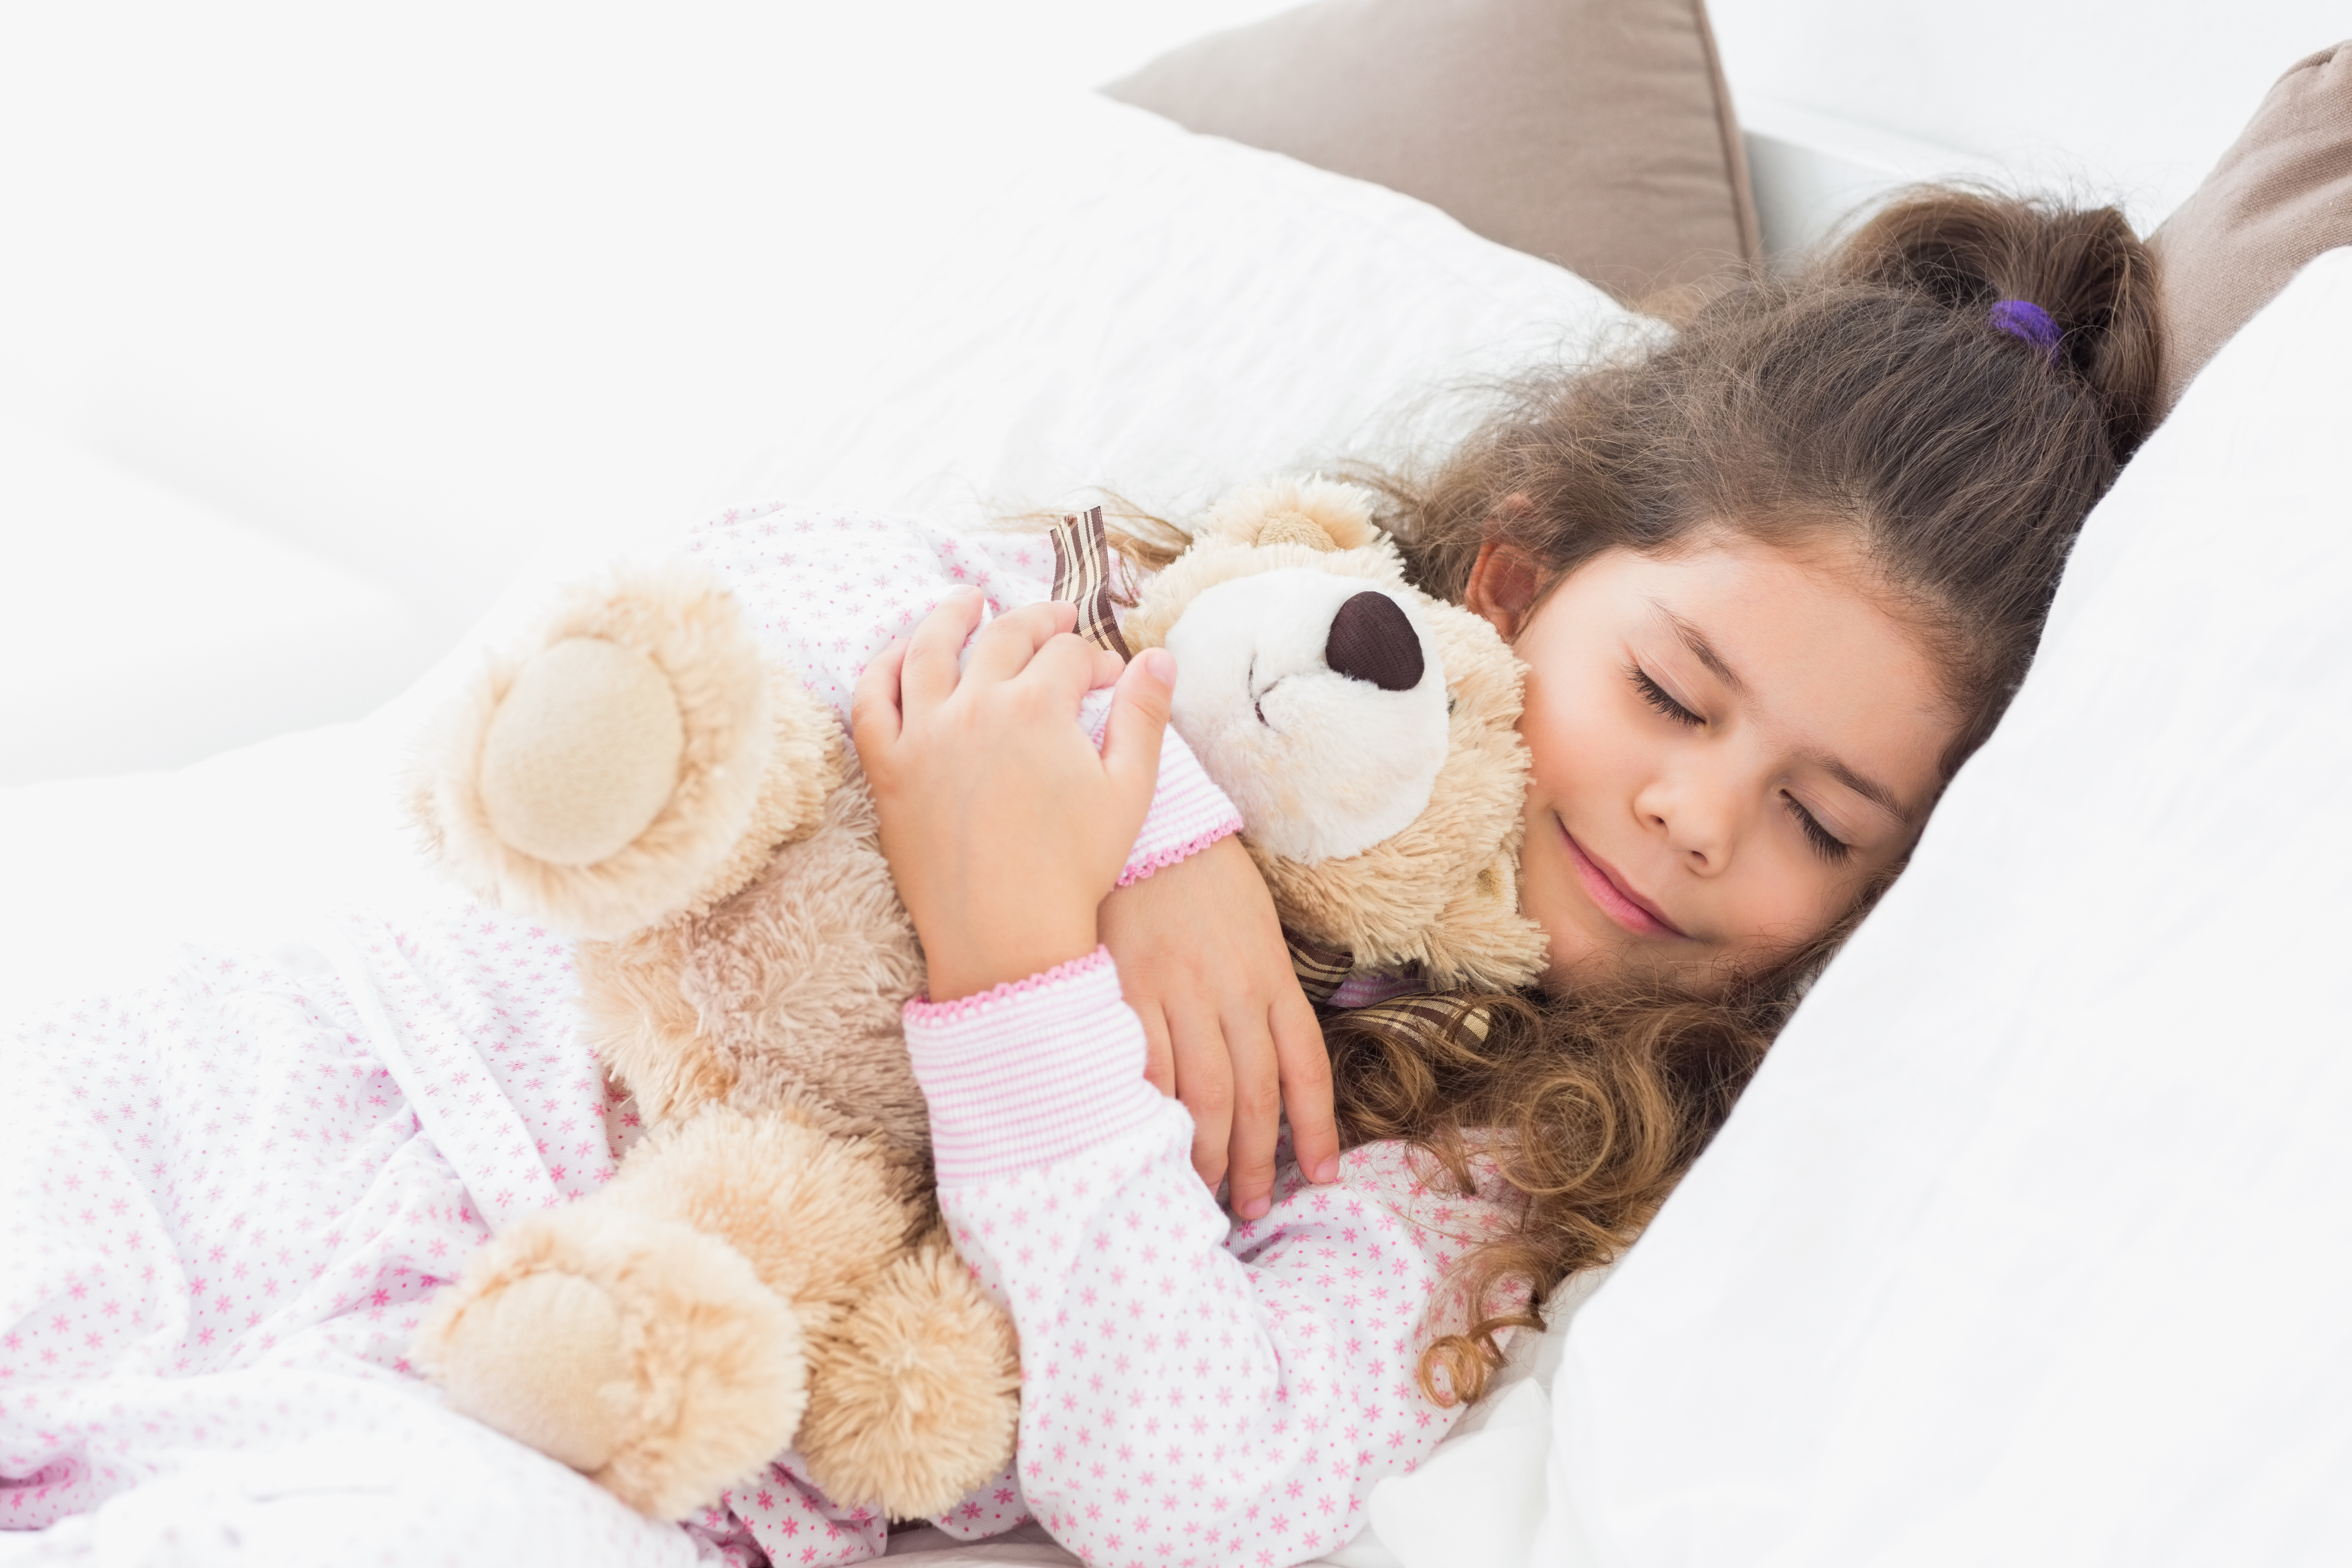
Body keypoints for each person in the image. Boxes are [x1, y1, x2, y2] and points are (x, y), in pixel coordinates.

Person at [849, 189, 2164, 1565]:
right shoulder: (1233, 641)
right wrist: (1159, 828)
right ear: (1512, 587)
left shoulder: (1517, 1162)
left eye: (1824, 824)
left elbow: (1203, 1487)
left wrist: (1022, 978)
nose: (1699, 818)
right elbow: (772, 605)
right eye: (1667, 692)